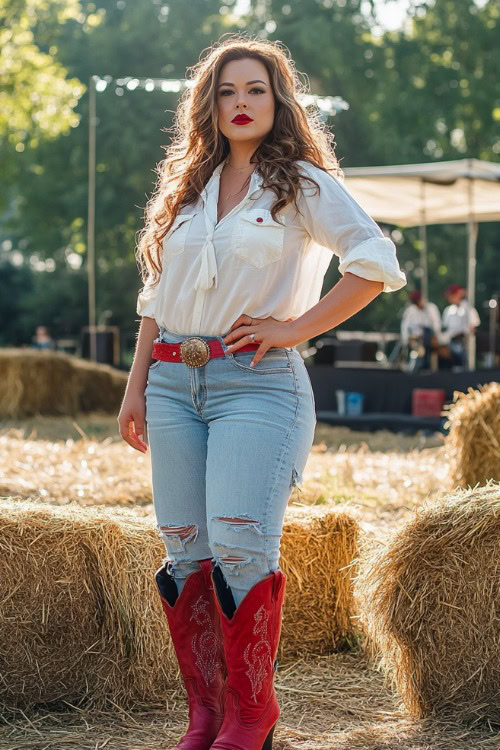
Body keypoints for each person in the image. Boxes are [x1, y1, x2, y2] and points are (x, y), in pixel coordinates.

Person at [118, 37, 407, 750]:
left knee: (242, 548)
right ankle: (207, 715)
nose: (240, 103)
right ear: (208, 106)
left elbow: (372, 264)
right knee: (186, 552)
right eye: (226, 91)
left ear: (278, 101)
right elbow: (157, 296)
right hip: (169, 384)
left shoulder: (301, 181)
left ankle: (253, 716)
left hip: (255, 383)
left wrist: (295, 326)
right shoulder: (185, 188)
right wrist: (134, 387)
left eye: (255, 90)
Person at [400, 290, 442, 370]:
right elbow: (405, 327)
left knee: (427, 333)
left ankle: (425, 365)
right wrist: (407, 340)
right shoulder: (410, 311)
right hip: (415, 340)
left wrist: (435, 336)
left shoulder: (431, 308)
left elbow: (437, 324)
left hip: (429, 339)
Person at [441, 283, 480, 368]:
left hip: (463, 343)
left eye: (452, 295)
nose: (450, 298)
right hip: (449, 344)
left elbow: (474, 326)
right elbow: (444, 329)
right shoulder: (448, 310)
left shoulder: (468, 308)